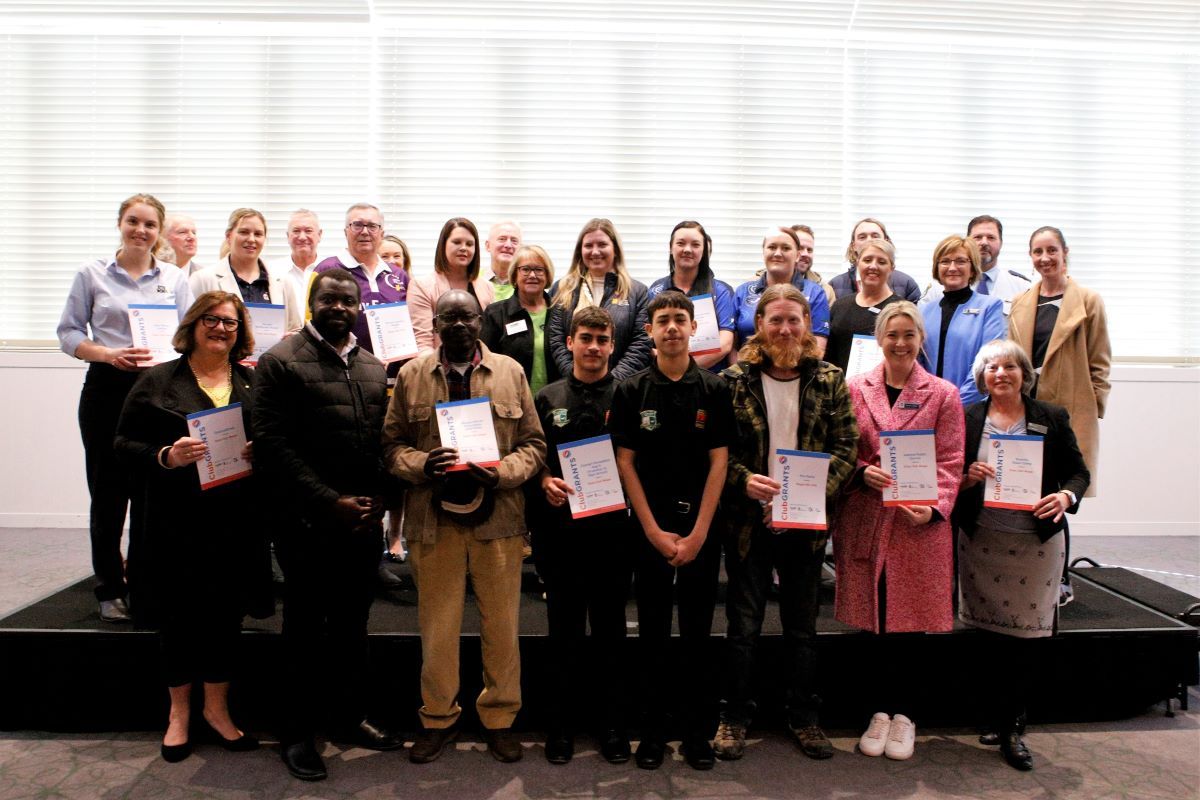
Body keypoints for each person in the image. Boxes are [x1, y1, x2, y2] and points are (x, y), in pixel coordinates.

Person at [382, 289, 546, 765]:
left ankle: (500, 717)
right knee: (438, 628)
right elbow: (391, 447)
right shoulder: (411, 376)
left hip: (499, 522)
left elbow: (534, 445)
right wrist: (421, 464)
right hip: (433, 523)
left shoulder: (511, 373)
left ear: (480, 321)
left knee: (502, 627)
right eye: (448, 317)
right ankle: (437, 717)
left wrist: (502, 473)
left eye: (467, 317)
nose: (458, 325)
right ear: (435, 322)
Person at [252, 269, 403, 782]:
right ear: (312, 303)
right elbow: (272, 444)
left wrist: (380, 498)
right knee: (303, 629)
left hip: (360, 523)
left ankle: (347, 716)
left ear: (360, 307)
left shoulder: (370, 366)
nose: (339, 307)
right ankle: (296, 733)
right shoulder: (279, 362)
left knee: (351, 625)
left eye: (348, 300)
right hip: (305, 521)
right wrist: (326, 501)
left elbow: (380, 442)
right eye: (329, 299)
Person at [114, 291, 273, 763]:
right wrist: (166, 456)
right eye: (211, 319)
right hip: (175, 522)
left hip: (234, 522)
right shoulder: (157, 381)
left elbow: (271, 438)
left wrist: (257, 452)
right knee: (178, 618)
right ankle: (179, 714)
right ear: (193, 325)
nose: (220, 328)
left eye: (229, 322)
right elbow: (122, 444)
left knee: (225, 618)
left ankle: (217, 710)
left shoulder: (252, 382)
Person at [715, 284, 858, 762]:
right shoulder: (734, 380)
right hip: (747, 523)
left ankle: (804, 718)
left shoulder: (830, 380)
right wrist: (742, 480)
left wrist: (810, 493)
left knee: (802, 628)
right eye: (775, 320)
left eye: (793, 320)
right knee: (743, 626)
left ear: (806, 324)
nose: (785, 328)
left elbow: (846, 448)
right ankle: (734, 717)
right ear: (760, 325)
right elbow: (719, 453)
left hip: (806, 523)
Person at [832, 301, 964, 761]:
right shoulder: (854, 389)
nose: (901, 342)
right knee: (875, 618)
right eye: (892, 334)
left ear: (920, 339)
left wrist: (935, 507)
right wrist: (860, 471)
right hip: (868, 515)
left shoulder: (943, 394)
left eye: (909, 334)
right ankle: (878, 713)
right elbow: (842, 448)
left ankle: (905, 715)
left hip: (915, 523)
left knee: (910, 622)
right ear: (879, 339)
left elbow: (951, 461)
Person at [952, 339, 1090, 771]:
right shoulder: (968, 416)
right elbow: (947, 472)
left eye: (1010, 366)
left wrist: (1067, 496)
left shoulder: (1050, 416)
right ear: (981, 376)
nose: (1001, 373)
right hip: (982, 541)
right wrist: (966, 477)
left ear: (1024, 373)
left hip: (1036, 541)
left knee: (1026, 638)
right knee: (990, 636)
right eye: (992, 367)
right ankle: (997, 712)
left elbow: (1078, 472)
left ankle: (1013, 724)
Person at [610, 291, 733, 771]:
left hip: (701, 527)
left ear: (692, 326)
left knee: (699, 634)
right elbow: (625, 463)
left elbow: (720, 461)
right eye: (663, 321)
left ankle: (697, 734)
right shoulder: (630, 390)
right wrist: (653, 531)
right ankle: (654, 733)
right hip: (649, 528)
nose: (672, 328)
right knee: (655, 634)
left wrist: (700, 531)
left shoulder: (714, 388)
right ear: (650, 331)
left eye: (680, 320)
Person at [57, 193, 193, 623]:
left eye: (150, 224)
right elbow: (67, 333)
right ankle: (110, 587)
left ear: (159, 231)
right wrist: (106, 353)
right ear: (120, 223)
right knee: (109, 494)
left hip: (158, 394)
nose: (141, 230)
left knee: (153, 494)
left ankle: (147, 584)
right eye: (133, 221)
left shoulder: (173, 277)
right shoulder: (92, 273)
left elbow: (187, 336)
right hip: (107, 390)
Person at [532, 306, 634, 765]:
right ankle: (561, 725)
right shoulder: (546, 398)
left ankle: (612, 725)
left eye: (602, 339)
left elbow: (642, 462)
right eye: (585, 338)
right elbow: (532, 458)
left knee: (612, 632)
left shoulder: (631, 395)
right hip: (562, 536)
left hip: (614, 534)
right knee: (564, 632)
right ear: (569, 342)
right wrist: (543, 482)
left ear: (613, 345)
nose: (593, 347)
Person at [1008, 226, 1110, 495]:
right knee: (1026, 481)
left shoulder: (1089, 301)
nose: (1045, 257)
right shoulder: (1020, 302)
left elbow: (1099, 360)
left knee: (1065, 485)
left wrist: (1095, 404)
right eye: (1038, 251)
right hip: (1028, 403)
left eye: (1052, 250)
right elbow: (1013, 359)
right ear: (1030, 256)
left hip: (1071, 405)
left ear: (1065, 253)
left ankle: (1057, 536)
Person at [546, 218, 651, 381]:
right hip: (570, 388)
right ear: (580, 250)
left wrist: (611, 383)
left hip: (619, 390)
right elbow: (555, 340)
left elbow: (640, 344)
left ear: (615, 249)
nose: (595, 251)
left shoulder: (637, 292)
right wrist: (575, 379)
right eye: (588, 245)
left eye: (602, 245)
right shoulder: (562, 289)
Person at [917, 235, 1006, 405]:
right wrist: (929, 402)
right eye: (945, 261)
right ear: (937, 268)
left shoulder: (990, 306)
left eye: (960, 261)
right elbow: (917, 362)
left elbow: (989, 362)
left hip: (972, 408)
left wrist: (955, 404)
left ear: (972, 268)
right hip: (928, 406)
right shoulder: (923, 311)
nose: (952, 267)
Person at [189, 208, 303, 334]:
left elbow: (295, 329)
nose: (251, 239)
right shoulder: (203, 279)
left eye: (258, 234)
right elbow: (189, 329)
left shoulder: (283, 281)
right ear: (229, 236)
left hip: (271, 353)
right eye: (244, 232)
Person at [313, 204, 410, 349]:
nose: (365, 232)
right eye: (357, 225)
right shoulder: (325, 270)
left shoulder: (399, 275)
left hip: (393, 368)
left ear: (381, 234)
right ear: (346, 232)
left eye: (372, 226)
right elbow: (310, 324)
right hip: (340, 367)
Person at [647, 220, 737, 369]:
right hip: (664, 380)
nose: (687, 249)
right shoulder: (655, 291)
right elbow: (649, 340)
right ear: (670, 248)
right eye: (681, 243)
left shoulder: (721, 291)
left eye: (695, 245)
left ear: (704, 250)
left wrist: (684, 369)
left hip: (709, 382)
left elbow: (726, 344)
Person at [733, 227, 830, 357]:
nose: (778, 253)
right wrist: (742, 374)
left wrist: (787, 376)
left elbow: (817, 349)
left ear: (797, 256)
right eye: (772, 247)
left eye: (786, 248)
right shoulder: (742, 292)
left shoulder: (815, 293)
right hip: (747, 372)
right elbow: (731, 347)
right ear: (763, 252)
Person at [408, 217, 495, 353]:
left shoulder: (487, 287)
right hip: (439, 368)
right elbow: (423, 343)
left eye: (469, 244)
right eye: (456, 242)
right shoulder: (421, 286)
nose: (463, 248)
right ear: (443, 245)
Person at [481, 244, 559, 395]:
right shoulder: (495, 314)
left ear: (547, 275)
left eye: (538, 269)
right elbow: (485, 364)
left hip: (554, 402)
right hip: (509, 399)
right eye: (525, 269)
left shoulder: (561, 313)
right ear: (515, 274)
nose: (532, 275)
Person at [921, 215, 1031, 314]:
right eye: (978, 237)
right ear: (968, 242)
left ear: (1001, 243)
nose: (984, 242)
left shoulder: (1021, 287)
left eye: (991, 237)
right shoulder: (939, 288)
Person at [823, 239, 904, 373]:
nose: (873, 266)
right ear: (857, 263)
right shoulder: (840, 306)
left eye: (882, 262)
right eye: (867, 260)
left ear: (892, 268)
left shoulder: (900, 310)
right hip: (839, 391)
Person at [828, 218, 921, 302]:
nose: (869, 241)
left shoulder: (907, 284)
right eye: (862, 237)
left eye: (875, 236)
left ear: (886, 241)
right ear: (853, 246)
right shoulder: (834, 286)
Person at [271, 209, 324, 310]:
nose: (302, 237)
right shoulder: (272, 271)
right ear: (288, 236)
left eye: (308, 231)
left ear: (319, 235)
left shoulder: (329, 270)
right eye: (296, 231)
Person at [790, 224, 835, 306]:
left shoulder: (825, 291)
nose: (805, 254)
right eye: (800, 248)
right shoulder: (761, 283)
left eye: (809, 250)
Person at [484, 220, 522, 302]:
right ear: (488, 246)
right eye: (502, 239)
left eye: (514, 240)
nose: (508, 245)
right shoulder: (474, 280)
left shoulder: (526, 283)